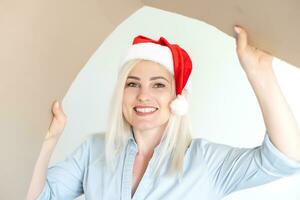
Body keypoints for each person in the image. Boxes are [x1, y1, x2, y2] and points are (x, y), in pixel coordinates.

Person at [26, 26, 300, 200]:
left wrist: (259, 72)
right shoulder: (93, 151)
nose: (143, 95)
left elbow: (287, 158)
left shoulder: (206, 162)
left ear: (177, 97)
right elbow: (37, 197)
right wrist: (49, 141)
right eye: (132, 84)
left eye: (159, 85)